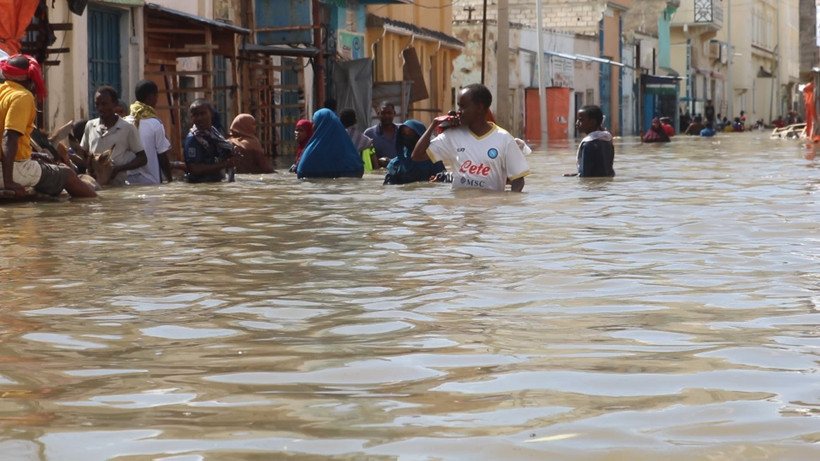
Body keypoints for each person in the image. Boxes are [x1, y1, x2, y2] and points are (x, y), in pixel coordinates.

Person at [0, 54, 96, 198]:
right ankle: (98, 209)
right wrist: (9, 182)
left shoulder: (2, 92)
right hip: (14, 168)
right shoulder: (22, 96)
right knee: (68, 175)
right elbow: (10, 137)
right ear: (31, 77)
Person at [410, 83, 529, 192]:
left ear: (479, 108)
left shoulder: (504, 139)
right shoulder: (451, 136)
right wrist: (434, 124)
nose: (458, 112)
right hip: (460, 211)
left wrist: (509, 205)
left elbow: (518, 179)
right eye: (458, 107)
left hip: (489, 210)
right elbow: (417, 156)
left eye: (463, 107)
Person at [79, 86, 147, 186]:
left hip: (117, 185)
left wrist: (118, 169)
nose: (100, 108)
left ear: (115, 104)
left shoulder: (127, 128)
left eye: (104, 104)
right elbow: (82, 154)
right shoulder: (90, 125)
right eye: (97, 104)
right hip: (93, 185)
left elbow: (142, 158)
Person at [295, 108, 364, 179]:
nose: (312, 125)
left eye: (314, 122)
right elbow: (358, 171)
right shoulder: (350, 153)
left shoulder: (311, 153)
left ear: (321, 124)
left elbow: (302, 172)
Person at [126, 79, 173, 184]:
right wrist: (170, 180)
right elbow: (162, 156)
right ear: (151, 97)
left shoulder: (124, 122)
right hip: (151, 182)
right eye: (157, 96)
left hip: (127, 181)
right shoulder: (155, 123)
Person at [183, 98, 236, 183]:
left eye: (203, 114)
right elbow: (194, 169)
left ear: (211, 113)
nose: (199, 118)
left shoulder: (213, 134)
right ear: (192, 117)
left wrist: (231, 153)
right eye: (196, 115)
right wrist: (224, 164)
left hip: (214, 184)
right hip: (199, 186)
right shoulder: (192, 139)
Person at [383, 119, 445, 185]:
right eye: (404, 134)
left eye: (411, 134)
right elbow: (390, 188)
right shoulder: (395, 165)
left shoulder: (434, 161)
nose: (407, 137)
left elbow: (443, 182)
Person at [564, 105, 614, 177]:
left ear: (592, 122)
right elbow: (604, 170)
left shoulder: (588, 145)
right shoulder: (607, 140)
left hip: (592, 186)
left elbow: (586, 175)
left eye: (581, 120)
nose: (577, 123)